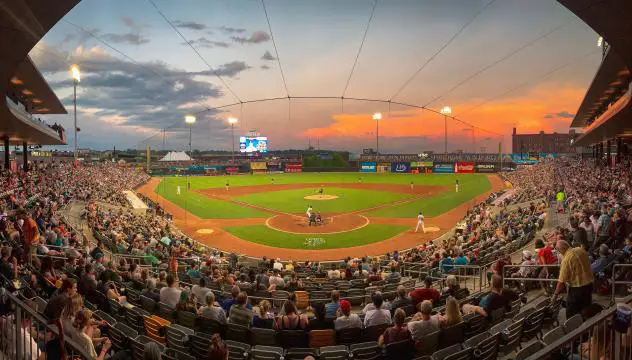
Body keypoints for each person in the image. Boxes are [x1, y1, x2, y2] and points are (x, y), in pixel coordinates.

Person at [551, 240, 594, 318]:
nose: (559, 253)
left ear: (562, 249)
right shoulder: (580, 250)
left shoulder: (566, 260)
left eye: (559, 251)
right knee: (587, 309)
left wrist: (555, 295)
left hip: (577, 290)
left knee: (571, 313)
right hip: (589, 286)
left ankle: (576, 329)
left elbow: (561, 282)